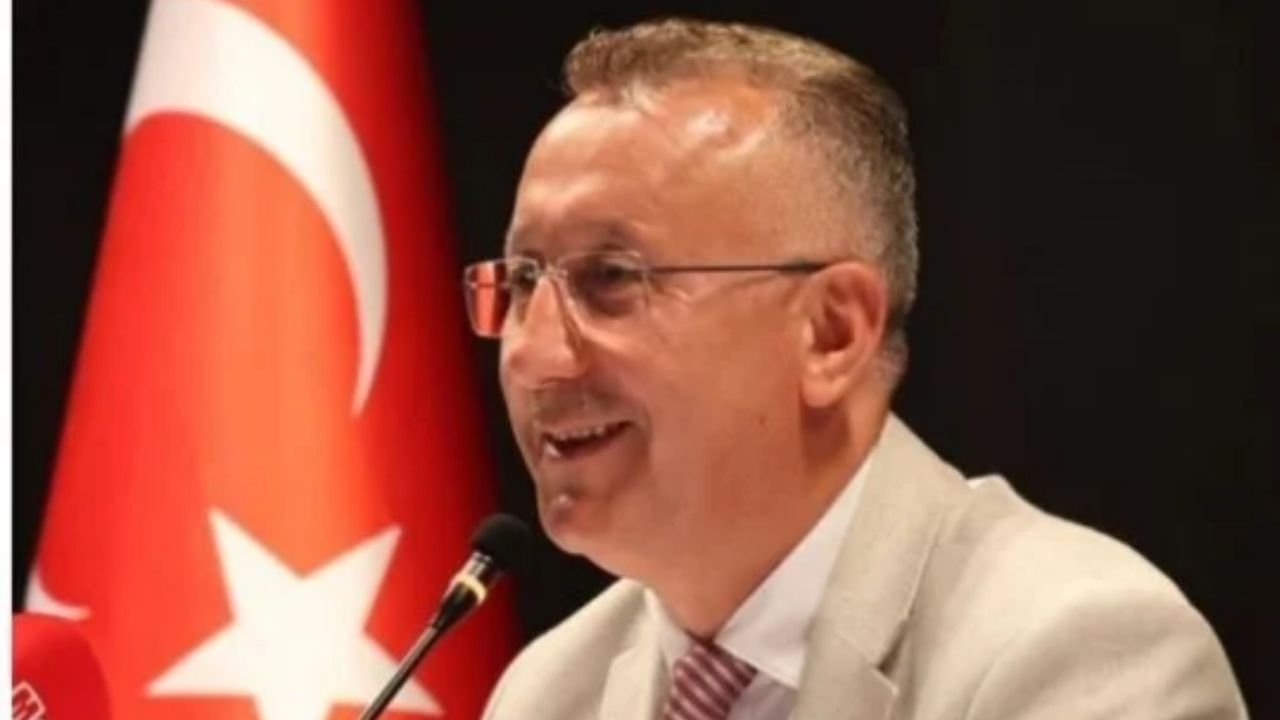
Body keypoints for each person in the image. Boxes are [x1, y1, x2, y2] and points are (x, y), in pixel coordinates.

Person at [465, 18, 1247, 720]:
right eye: (524, 282)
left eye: (610, 278)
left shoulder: (1077, 652)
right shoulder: (550, 693)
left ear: (832, 333)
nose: (532, 354)